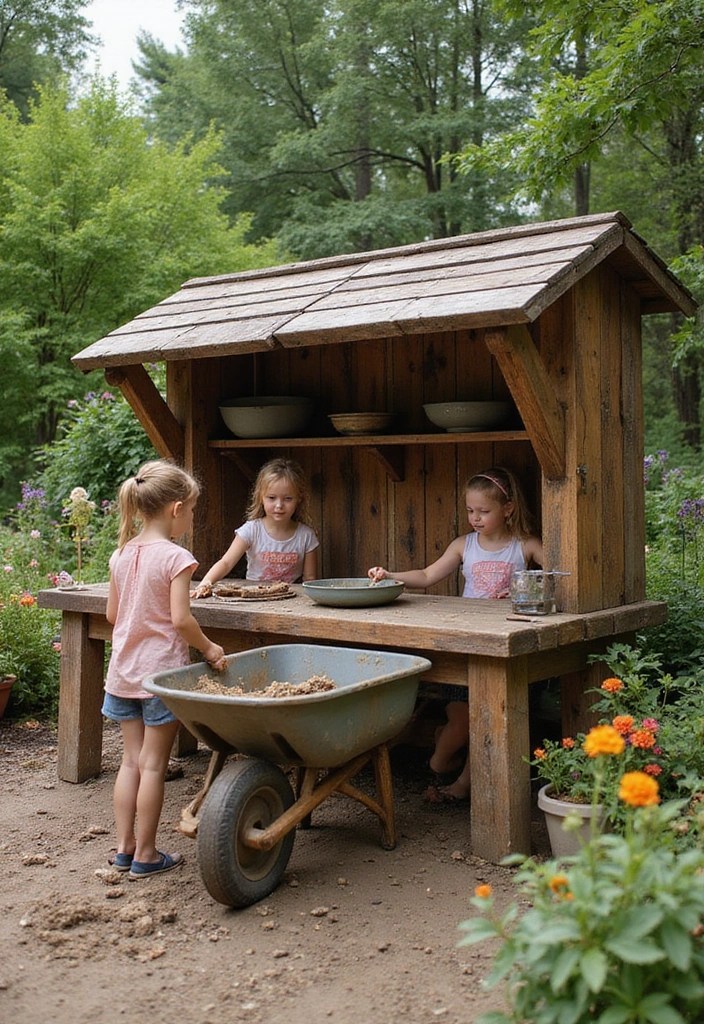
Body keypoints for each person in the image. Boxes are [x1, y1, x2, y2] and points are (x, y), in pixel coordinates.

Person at [368, 467, 543, 803]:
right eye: (470, 510)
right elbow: (426, 575)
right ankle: (441, 759)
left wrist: (530, 591)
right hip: (468, 644)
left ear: (508, 508)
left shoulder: (525, 546)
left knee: (495, 718)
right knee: (462, 722)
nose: (475, 518)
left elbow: (559, 575)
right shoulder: (465, 545)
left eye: (484, 511)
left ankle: (463, 784)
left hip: (508, 643)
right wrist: (390, 575)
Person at [102, 460, 227, 879]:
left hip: (122, 674)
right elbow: (181, 620)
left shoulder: (120, 553)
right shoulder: (176, 557)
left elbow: (112, 615)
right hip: (159, 677)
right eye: (191, 511)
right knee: (154, 765)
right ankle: (147, 854)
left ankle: (124, 849)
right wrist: (209, 648)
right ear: (176, 509)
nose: (191, 519)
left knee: (130, 762)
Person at [192, 457, 319, 595]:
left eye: (288, 499)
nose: (279, 505)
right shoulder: (251, 530)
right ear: (261, 497)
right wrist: (206, 582)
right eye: (272, 498)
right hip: (254, 597)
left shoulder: (306, 536)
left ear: (299, 499)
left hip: (290, 598)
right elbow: (226, 563)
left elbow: (310, 579)